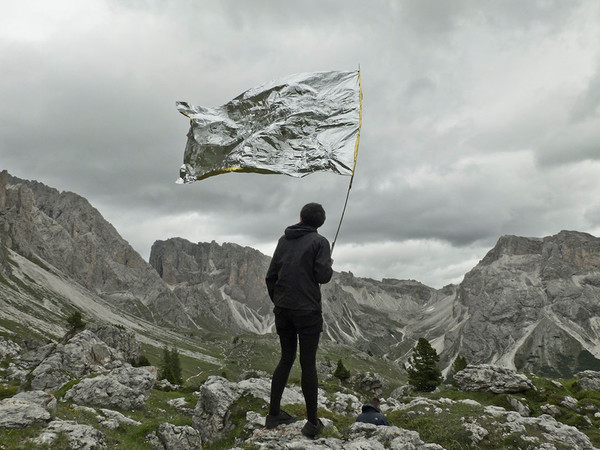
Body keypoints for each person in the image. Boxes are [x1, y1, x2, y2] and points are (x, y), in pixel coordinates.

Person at [264, 202, 333, 438]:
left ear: (301, 217)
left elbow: (270, 276)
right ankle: (312, 423)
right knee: (308, 362)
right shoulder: (320, 242)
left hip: (283, 309)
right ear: (320, 223)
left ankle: (273, 414)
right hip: (307, 311)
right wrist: (329, 264)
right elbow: (322, 276)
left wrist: (279, 301)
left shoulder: (284, 240)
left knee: (285, 358)